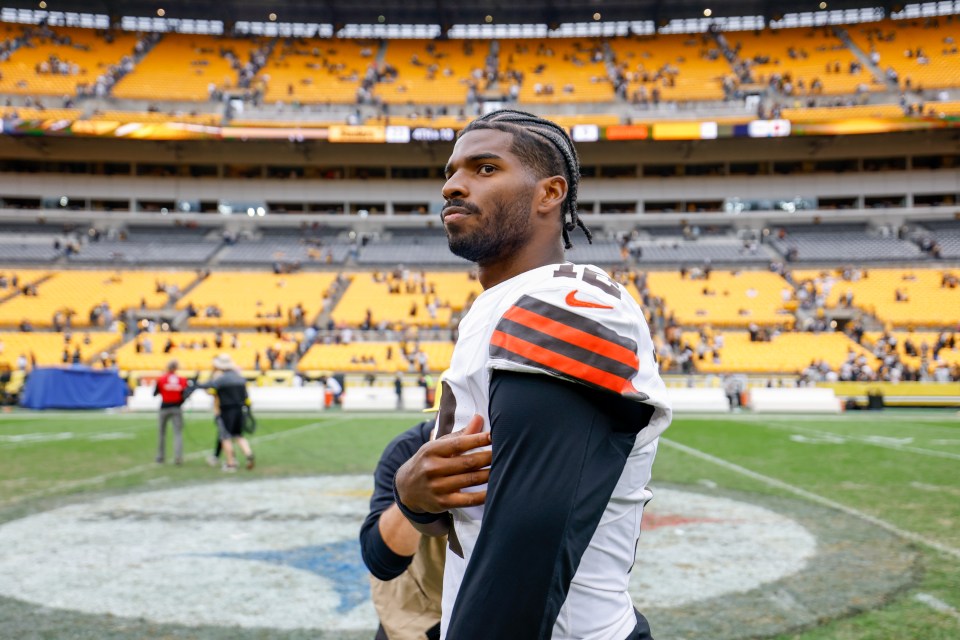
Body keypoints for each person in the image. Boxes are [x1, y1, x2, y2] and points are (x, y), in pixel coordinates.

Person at [394, 110, 672, 640]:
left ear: (550, 193)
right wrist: (412, 495)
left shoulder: (568, 301)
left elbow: (525, 545)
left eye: (485, 167)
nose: (453, 185)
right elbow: (470, 512)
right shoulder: (500, 305)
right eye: (451, 171)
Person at [360, 372, 452, 640]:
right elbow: (382, 562)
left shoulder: (513, 451)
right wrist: (410, 499)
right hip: (415, 610)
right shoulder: (407, 449)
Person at [200, 354, 254, 472]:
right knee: (239, 435)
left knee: (225, 437)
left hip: (226, 411)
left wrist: (197, 385)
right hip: (239, 410)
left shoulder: (221, 379)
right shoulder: (240, 378)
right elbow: (246, 396)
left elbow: (209, 387)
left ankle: (231, 464)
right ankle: (248, 454)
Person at [154, 359, 189, 465]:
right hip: (177, 408)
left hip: (164, 407)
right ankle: (178, 457)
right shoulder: (182, 380)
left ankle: (160, 456)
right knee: (177, 433)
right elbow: (185, 394)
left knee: (161, 433)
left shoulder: (161, 379)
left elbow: (155, 393)